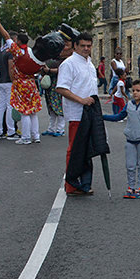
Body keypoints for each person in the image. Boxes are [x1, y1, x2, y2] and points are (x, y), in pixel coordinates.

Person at [55, 31, 98, 196]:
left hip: (89, 112)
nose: (86, 49)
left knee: (87, 149)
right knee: (75, 149)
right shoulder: (69, 63)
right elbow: (61, 88)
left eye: (89, 46)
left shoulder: (89, 63)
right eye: (83, 46)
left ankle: (84, 183)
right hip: (76, 113)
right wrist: (81, 100)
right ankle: (71, 184)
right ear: (75, 46)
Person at [102, 79, 140, 199]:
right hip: (130, 141)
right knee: (130, 165)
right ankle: (131, 187)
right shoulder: (129, 105)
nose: (135, 93)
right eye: (133, 91)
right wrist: (102, 117)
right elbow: (118, 116)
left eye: (138, 90)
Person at [0, 19, 42, 145]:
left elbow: (6, 36)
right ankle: (35, 135)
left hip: (20, 83)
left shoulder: (16, 51)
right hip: (31, 83)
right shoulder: (31, 52)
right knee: (33, 112)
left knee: (24, 112)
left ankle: (25, 137)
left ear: (19, 41)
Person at [0, 43, 17, 140]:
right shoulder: (10, 52)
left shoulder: (1, 51)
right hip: (8, 82)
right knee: (10, 106)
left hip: (1, 81)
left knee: (1, 107)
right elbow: (11, 67)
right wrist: (14, 81)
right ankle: (11, 131)